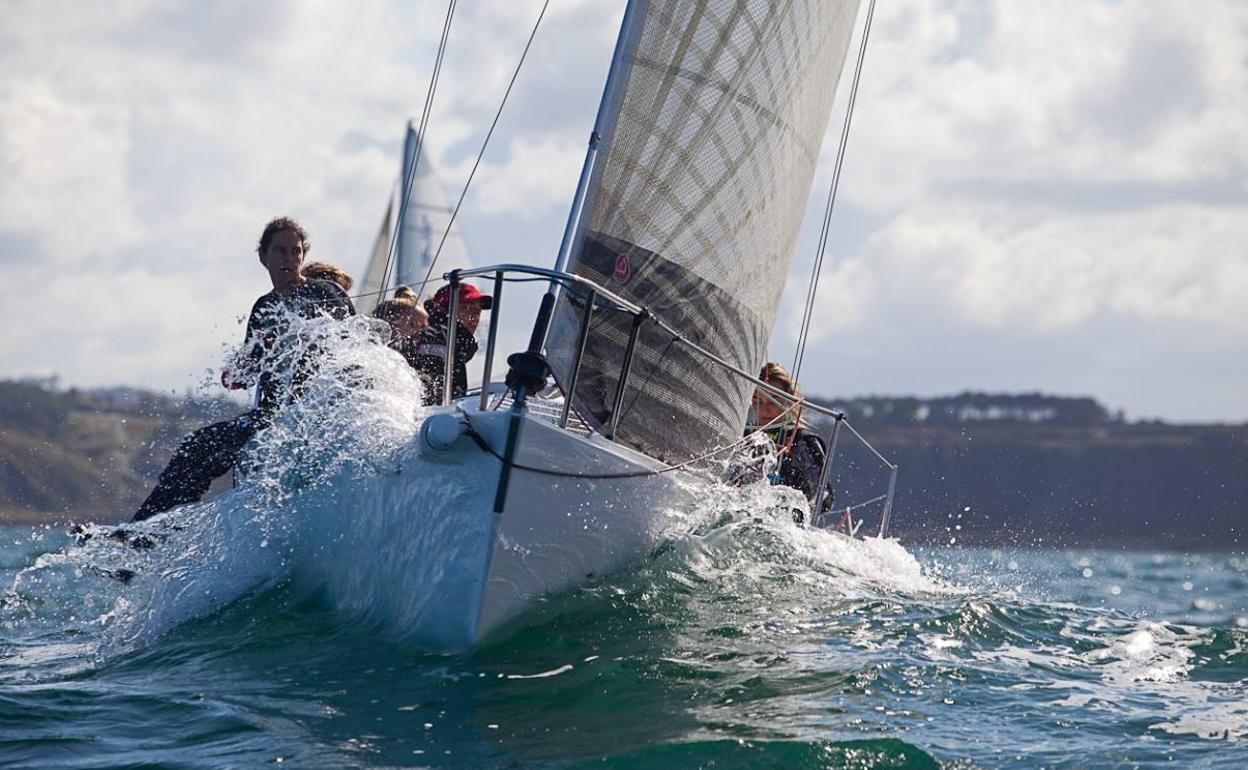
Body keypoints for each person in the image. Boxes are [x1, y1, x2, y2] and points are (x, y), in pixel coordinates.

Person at [132, 217, 355, 521]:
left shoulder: (324, 292)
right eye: (280, 251)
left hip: (314, 411)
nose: (289, 259)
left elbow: (351, 345)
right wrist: (241, 369)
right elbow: (248, 372)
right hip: (271, 417)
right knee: (196, 446)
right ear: (263, 256)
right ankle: (146, 530)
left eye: (296, 251)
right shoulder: (264, 306)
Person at [750, 362, 834, 524]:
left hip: (787, 527)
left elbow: (825, 498)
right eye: (757, 401)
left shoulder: (804, 441)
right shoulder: (744, 437)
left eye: (774, 401)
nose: (765, 409)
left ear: (789, 399)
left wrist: (792, 509)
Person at [409, 283, 492, 405]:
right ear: (443, 309)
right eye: (466, 309)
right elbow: (432, 398)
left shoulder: (454, 343)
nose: (473, 317)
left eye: (477, 311)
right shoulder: (434, 338)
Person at [372, 285, 429, 363]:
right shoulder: (370, 350)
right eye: (413, 324)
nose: (419, 332)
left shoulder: (412, 351)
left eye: (423, 327)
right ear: (392, 320)